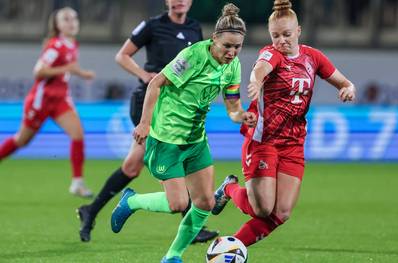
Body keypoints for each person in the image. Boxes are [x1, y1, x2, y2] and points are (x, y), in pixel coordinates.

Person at [111, 3, 255, 263]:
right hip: (166, 138)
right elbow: (156, 83)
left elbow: (233, 106)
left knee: (205, 204)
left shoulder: (233, 67)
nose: (232, 52)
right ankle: (130, 202)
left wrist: (241, 116)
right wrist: (144, 123)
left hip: (196, 140)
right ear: (214, 39)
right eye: (227, 46)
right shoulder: (194, 56)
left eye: (237, 47)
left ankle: (172, 256)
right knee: (177, 203)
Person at [211, 0, 356, 249]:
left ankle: (232, 247)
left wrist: (348, 88)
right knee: (263, 208)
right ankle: (229, 189)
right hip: (263, 139)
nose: (281, 40)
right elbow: (260, 68)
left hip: (293, 142)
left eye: (287, 34)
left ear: (298, 31)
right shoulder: (272, 53)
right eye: (275, 35)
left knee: (281, 212)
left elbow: (344, 82)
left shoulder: (313, 57)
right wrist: (256, 81)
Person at [76, 0, 217, 243]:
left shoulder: (195, 28)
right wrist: (144, 75)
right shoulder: (152, 26)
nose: (180, 0)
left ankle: (91, 210)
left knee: (132, 166)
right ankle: (191, 225)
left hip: (176, 107)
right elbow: (122, 56)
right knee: (174, 156)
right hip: (149, 104)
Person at [0, 7, 95, 198]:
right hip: (41, 100)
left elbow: (67, 69)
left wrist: (79, 72)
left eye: (74, 18)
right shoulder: (55, 46)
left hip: (61, 100)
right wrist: (68, 68)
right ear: (58, 25)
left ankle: (77, 183)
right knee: (21, 140)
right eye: (66, 19)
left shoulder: (71, 44)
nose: (72, 22)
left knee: (77, 133)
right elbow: (39, 71)